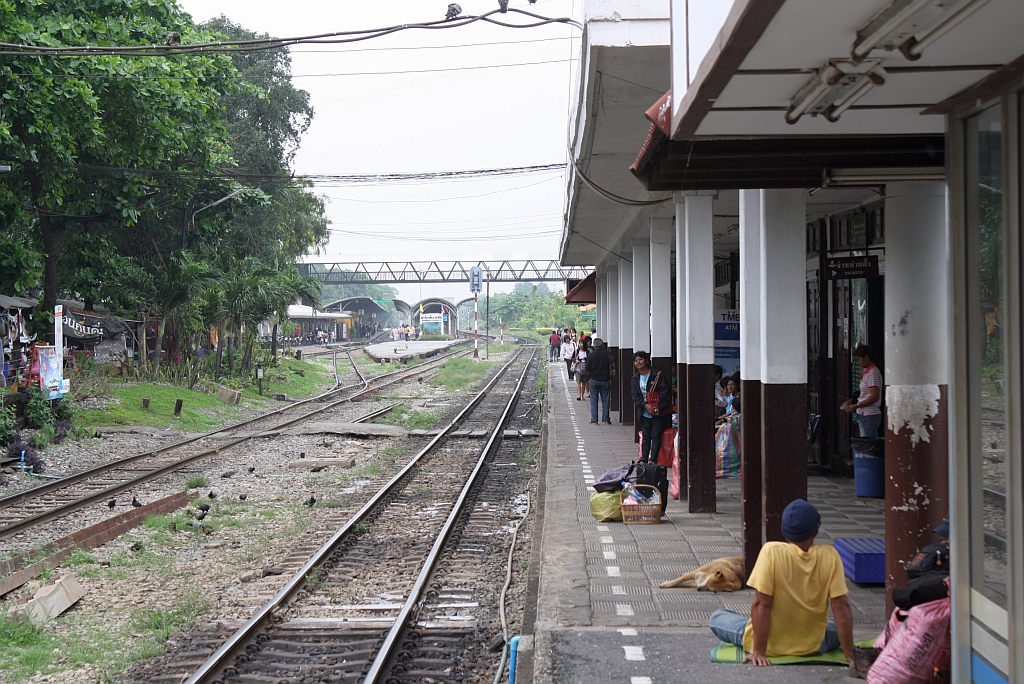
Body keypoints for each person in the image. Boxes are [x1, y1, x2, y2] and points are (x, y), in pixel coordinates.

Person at [709, 499, 854, 667]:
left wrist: (759, 652)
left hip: (769, 645)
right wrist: (849, 654)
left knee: (717, 616)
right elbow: (841, 607)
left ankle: (754, 635)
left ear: (784, 533)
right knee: (833, 627)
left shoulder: (771, 552)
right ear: (815, 533)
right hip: (814, 644)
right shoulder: (830, 555)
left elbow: (761, 605)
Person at [630, 351, 672, 463]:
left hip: (658, 412)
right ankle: (644, 459)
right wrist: (645, 406)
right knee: (646, 436)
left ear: (646, 360)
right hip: (644, 412)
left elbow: (664, 392)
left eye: (640, 359)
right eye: (636, 360)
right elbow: (635, 396)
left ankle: (653, 459)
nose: (638, 362)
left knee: (656, 435)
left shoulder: (657, 375)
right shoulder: (635, 378)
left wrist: (659, 408)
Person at [841, 345, 882, 438]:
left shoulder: (873, 373)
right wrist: (852, 401)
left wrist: (857, 405)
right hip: (863, 414)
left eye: (859, 360)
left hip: (869, 415)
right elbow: (865, 394)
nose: (859, 363)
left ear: (866, 358)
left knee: (867, 444)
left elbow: (874, 396)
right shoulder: (867, 373)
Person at [584, 338, 616, 424]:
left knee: (594, 400)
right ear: (602, 345)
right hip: (605, 380)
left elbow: (587, 368)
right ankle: (606, 419)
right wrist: (614, 369)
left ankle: (594, 420)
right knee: (605, 400)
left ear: (594, 346)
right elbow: (613, 360)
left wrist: (589, 375)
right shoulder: (606, 353)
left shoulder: (591, 355)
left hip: (594, 380)